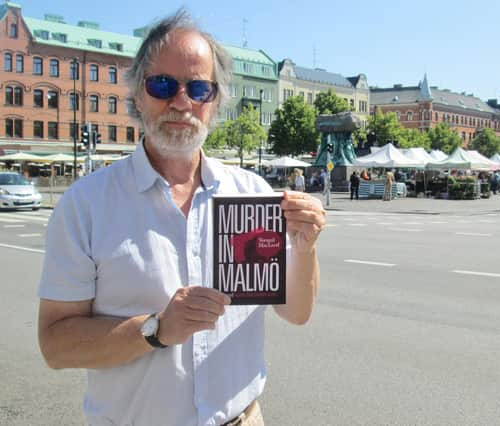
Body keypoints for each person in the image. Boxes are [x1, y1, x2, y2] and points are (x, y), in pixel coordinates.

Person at [37, 10, 325, 426]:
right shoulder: (86, 205)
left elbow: (296, 312)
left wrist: (306, 245)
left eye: (198, 88)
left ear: (215, 102)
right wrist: (156, 329)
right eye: (162, 85)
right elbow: (55, 345)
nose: (181, 101)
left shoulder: (252, 195)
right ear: (137, 95)